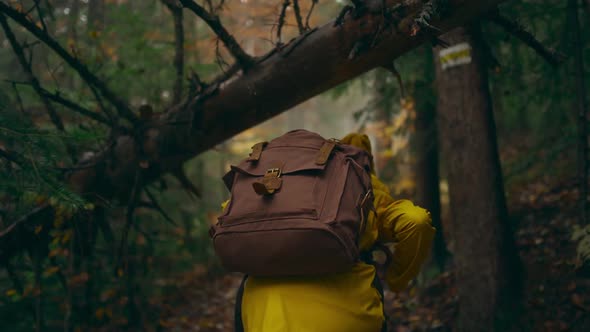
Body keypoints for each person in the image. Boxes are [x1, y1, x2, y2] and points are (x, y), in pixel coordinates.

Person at [223, 132, 436, 332]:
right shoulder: (365, 187)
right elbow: (416, 221)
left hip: (263, 316)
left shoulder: (276, 182)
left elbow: (227, 217)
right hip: (348, 318)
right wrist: (396, 279)